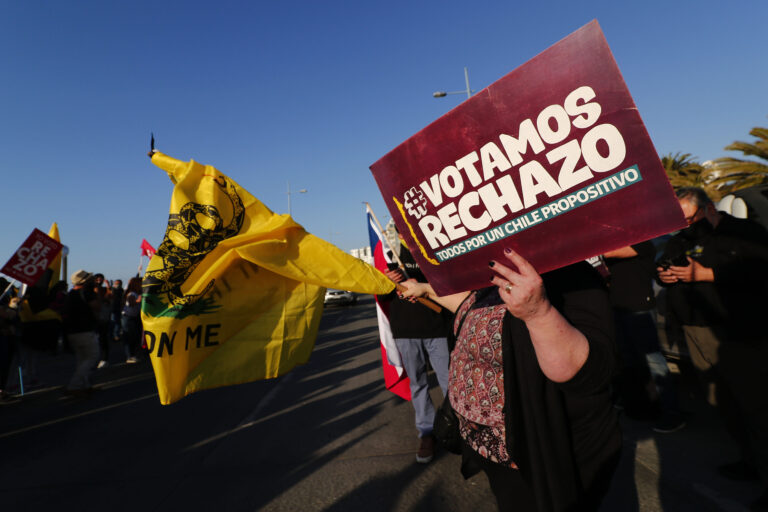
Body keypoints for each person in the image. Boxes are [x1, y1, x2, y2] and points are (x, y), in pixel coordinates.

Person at [401, 248, 620, 511]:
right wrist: (425, 290)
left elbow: (590, 374)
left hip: (538, 457)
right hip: (495, 454)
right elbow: (469, 307)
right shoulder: (493, 279)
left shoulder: (572, 275)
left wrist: (539, 313)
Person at [657, 187, 768, 509]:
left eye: (689, 218)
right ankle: (750, 461)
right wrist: (664, 275)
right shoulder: (682, 238)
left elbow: (760, 270)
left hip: (738, 333)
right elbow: (662, 263)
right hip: (695, 331)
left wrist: (707, 274)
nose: (684, 225)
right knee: (725, 404)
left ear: (708, 209)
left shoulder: (744, 232)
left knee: (757, 408)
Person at [378, 237, 451, 463]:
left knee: (451, 382)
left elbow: (449, 281)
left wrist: (424, 284)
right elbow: (381, 295)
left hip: (438, 326)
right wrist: (387, 282)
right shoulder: (387, 251)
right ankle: (427, 433)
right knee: (418, 384)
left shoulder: (433, 244)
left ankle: (461, 430)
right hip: (406, 331)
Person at [604, 242, 685, 433]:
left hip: (639, 307)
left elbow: (611, 252)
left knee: (653, 361)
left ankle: (672, 413)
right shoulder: (615, 241)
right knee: (629, 360)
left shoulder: (641, 241)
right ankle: (637, 402)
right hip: (618, 306)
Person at [62, 270, 101, 396]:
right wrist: (96, 293)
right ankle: (75, 385)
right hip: (85, 330)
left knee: (82, 359)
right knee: (92, 357)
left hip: (72, 331)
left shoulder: (70, 294)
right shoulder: (86, 293)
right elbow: (97, 307)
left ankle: (85, 385)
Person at [120, 277, 143, 364]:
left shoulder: (136, 293)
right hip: (128, 317)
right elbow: (131, 303)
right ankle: (129, 356)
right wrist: (138, 301)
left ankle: (132, 355)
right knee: (129, 337)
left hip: (132, 317)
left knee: (134, 336)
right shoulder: (132, 293)